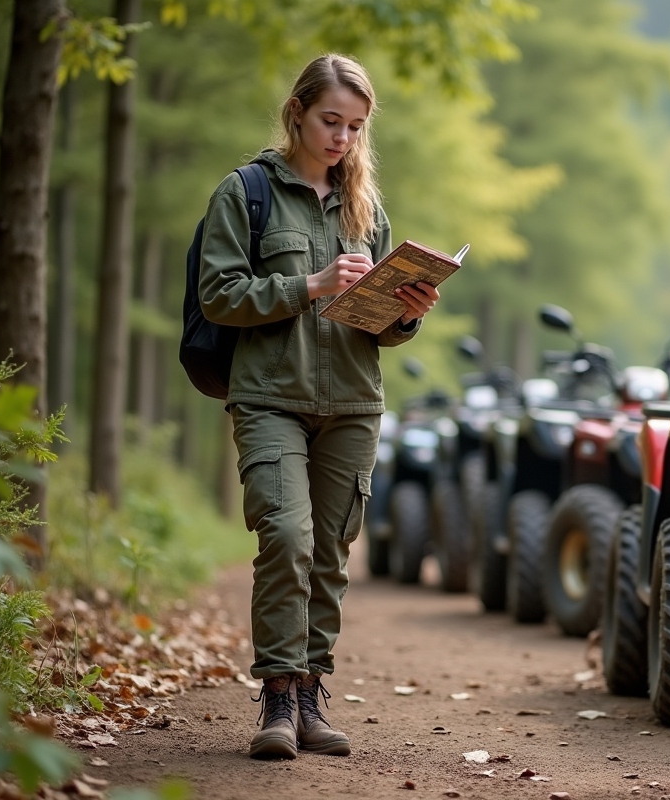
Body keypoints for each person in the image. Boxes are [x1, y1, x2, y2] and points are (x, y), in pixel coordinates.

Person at [198, 53, 440, 760]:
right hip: (270, 396)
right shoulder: (245, 193)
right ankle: (275, 699)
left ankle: (309, 693)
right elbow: (220, 295)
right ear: (297, 112)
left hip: (353, 403)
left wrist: (407, 314)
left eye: (355, 127)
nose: (342, 138)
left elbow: (380, 327)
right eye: (331, 120)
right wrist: (308, 285)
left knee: (331, 552)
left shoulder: (367, 207)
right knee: (287, 538)